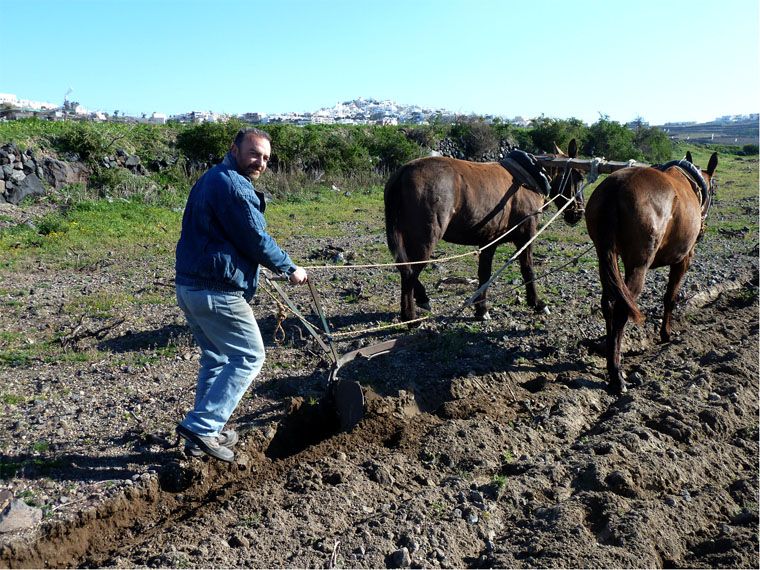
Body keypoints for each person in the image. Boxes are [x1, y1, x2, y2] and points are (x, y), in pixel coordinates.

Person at [174, 127, 308, 462]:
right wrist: (290, 268)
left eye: (265, 158)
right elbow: (256, 239)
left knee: (217, 359)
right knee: (249, 356)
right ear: (234, 150)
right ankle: (203, 427)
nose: (260, 162)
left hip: (190, 286)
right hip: (217, 291)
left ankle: (202, 436)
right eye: (254, 153)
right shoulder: (233, 185)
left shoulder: (212, 178)